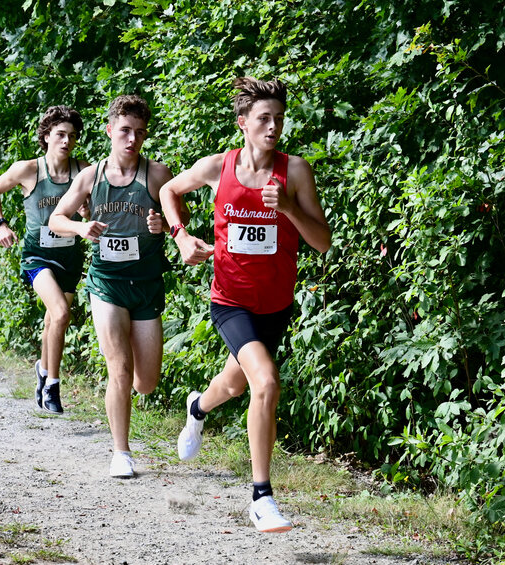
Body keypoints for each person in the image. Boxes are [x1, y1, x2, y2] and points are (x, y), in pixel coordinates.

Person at [158, 78, 331, 532]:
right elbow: (168, 192)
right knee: (266, 382)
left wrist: (290, 208)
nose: (273, 127)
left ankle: (197, 409)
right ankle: (261, 497)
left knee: (235, 385)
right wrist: (180, 237)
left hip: (274, 305)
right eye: (263, 119)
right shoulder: (219, 167)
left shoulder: (295, 173)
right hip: (230, 301)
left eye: (278, 118)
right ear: (243, 124)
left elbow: (323, 243)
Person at [49, 95, 184, 478]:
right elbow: (58, 217)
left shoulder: (157, 174)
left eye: (139, 133)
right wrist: (80, 227)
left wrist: (165, 227)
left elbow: (180, 213)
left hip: (146, 284)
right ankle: (121, 453)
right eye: (124, 130)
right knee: (119, 368)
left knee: (146, 382)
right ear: (110, 130)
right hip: (106, 283)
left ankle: (126, 419)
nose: (132, 139)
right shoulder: (90, 177)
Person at [0, 105, 89, 414]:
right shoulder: (28, 169)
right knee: (60, 314)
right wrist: (0, 224)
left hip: (70, 256)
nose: (66, 141)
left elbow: (93, 212)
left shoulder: (83, 171)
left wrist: (87, 213)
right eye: (60, 135)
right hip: (37, 256)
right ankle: (53, 386)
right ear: (46, 136)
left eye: (71, 136)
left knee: (52, 320)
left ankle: (42, 371)